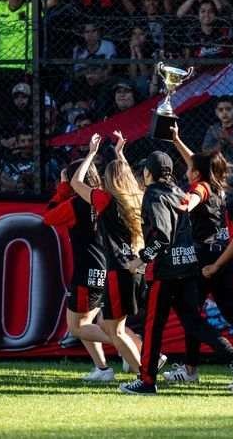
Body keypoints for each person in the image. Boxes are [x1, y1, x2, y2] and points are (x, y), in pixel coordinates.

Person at [120, 149, 233, 395]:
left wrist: (140, 260)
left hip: (166, 271)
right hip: (188, 267)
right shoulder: (179, 191)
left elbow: (162, 237)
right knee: (193, 322)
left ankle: (147, 381)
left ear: (148, 173)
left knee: (153, 327)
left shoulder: (154, 194)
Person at [165, 126, 233, 384]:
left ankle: (229, 359)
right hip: (222, 256)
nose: (187, 169)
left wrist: (181, 203)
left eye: (191, 169)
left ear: (197, 173)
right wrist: (176, 139)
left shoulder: (201, 188)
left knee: (190, 314)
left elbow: (193, 198)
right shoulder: (217, 185)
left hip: (203, 259)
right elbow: (194, 163)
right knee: (230, 312)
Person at [70, 132, 147, 379]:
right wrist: (120, 155)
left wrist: (91, 154)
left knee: (117, 332)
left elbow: (76, 182)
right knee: (115, 328)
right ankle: (144, 373)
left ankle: (145, 376)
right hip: (138, 268)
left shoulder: (105, 200)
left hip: (118, 270)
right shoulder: (138, 198)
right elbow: (128, 180)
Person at [42, 157, 116, 382]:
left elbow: (49, 217)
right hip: (106, 267)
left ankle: (136, 347)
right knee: (89, 323)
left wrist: (63, 189)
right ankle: (102, 369)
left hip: (87, 271)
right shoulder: (104, 198)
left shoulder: (76, 204)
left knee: (77, 327)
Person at [201, 96, 233, 165]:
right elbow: (205, 153)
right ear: (216, 112)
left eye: (228, 109)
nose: (224, 112)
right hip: (218, 166)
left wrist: (229, 139)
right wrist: (221, 142)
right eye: (221, 110)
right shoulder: (212, 130)